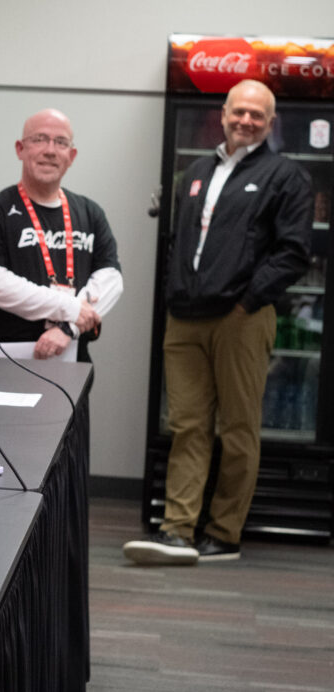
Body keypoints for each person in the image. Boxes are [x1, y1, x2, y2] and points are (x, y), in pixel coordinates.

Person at [123, 80, 312, 565]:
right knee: (187, 426)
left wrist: (247, 303)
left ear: (270, 124)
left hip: (241, 320)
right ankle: (177, 531)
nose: (246, 120)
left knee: (237, 428)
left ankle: (224, 534)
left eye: (257, 115)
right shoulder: (197, 171)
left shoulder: (286, 177)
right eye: (239, 111)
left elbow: (293, 254)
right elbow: (175, 241)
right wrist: (172, 293)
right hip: (184, 319)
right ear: (223, 113)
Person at [0, 108, 123, 362]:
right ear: (20, 149)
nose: (50, 150)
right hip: (3, 357)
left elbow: (111, 279)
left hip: (71, 355)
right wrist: (69, 308)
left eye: (60, 142)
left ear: (71, 156)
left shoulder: (90, 213)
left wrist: (68, 329)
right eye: (39, 139)